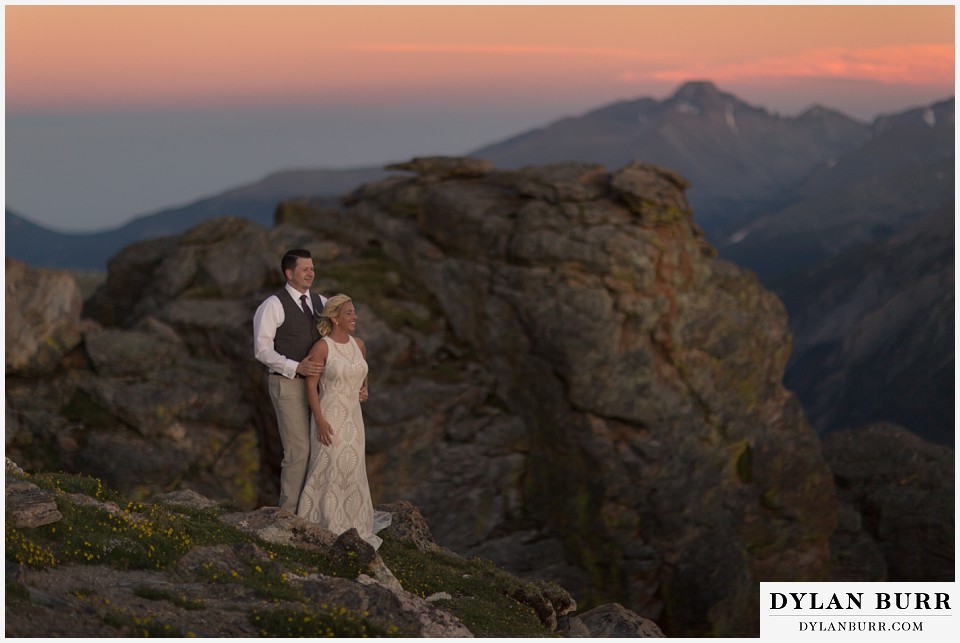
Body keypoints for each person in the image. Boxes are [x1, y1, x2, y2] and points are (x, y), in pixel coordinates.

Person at [296, 294, 381, 549]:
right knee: (329, 466)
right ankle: (327, 524)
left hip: (354, 418)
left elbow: (361, 373)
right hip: (329, 414)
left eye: (354, 312)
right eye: (349, 313)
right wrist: (319, 421)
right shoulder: (322, 347)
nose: (354, 317)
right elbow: (311, 387)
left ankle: (353, 524)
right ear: (334, 318)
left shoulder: (359, 345)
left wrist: (364, 389)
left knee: (352, 468)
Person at [253, 248, 326, 514]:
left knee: (321, 449)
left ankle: (312, 511)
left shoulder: (322, 303)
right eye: (305, 269)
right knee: (298, 451)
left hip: (319, 387)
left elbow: (341, 340)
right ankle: (287, 515)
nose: (311, 273)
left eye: (312, 268)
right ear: (289, 273)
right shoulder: (272, 305)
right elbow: (262, 350)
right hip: (287, 384)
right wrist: (297, 367)